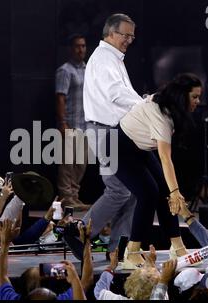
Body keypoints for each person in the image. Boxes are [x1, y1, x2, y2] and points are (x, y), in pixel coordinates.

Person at [113, 73, 202, 268]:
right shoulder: (162, 115)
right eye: (194, 97)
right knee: (148, 193)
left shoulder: (170, 108)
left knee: (164, 192)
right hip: (118, 150)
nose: (198, 101)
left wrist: (173, 193)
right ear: (181, 96)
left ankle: (177, 247)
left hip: (139, 148)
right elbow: (165, 157)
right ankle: (132, 252)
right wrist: (176, 192)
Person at [81, 13, 143, 259]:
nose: (129, 40)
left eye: (132, 36)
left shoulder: (113, 58)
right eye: (125, 35)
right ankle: (79, 231)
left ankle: (115, 249)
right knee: (119, 190)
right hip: (104, 131)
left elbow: (123, 92)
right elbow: (116, 94)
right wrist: (144, 105)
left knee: (131, 190)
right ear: (110, 33)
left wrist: (143, 102)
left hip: (112, 131)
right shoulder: (105, 58)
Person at [55, 34, 90, 211]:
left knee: (80, 163)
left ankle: (74, 196)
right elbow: (60, 98)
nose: (80, 49)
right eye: (77, 46)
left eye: (83, 46)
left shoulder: (88, 69)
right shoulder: (65, 70)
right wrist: (62, 123)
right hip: (70, 123)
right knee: (67, 163)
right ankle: (65, 198)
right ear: (71, 48)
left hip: (84, 124)